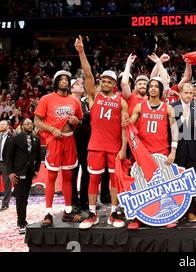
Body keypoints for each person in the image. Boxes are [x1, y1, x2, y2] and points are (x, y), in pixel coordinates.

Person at [75, 35, 128, 229]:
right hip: (95, 146)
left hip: (114, 147)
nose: (105, 84)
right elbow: (88, 75)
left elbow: (124, 128)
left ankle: (114, 213)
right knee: (93, 179)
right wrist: (81, 52)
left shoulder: (121, 101)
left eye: (108, 81)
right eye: (103, 81)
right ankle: (92, 214)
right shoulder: (94, 97)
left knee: (114, 181)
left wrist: (123, 148)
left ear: (114, 84)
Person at [127, 76, 178, 229]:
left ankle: (167, 216)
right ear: (148, 90)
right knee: (140, 185)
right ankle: (137, 218)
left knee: (163, 185)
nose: (153, 88)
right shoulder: (139, 107)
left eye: (156, 86)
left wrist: (173, 151)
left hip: (162, 151)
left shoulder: (168, 108)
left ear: (160, 90)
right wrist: (125, 121)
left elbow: (174, 130)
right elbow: (129, 125)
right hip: (143, 152)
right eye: (151, 86)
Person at [34, 70, 84, 227]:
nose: (64, 81)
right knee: (51, 176)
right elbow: (36, 121)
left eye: (66, 79)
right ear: (55, 82)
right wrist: (51, 129)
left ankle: (68, 211)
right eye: (61, 79)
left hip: (69, 141)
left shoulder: (75, 101)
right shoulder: (46, 99)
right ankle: (48, 213)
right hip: (54, 140)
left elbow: (80, 122)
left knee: (68, 176)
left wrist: (77, 122)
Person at [170, 83, 196, 223]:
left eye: (191, 93)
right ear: (180, 93)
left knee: (191, 182)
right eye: (186, 93)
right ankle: (175, 212)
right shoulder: (172, 107)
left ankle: (190, 212)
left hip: (193, 151)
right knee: (176, 182)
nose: (189, 95)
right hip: (177, 151)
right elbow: (170, 129)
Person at [5, 119, 41, 234]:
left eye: (31, 123)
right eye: (27, 124)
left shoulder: (36, 139)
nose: (30, 125)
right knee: (20, 198)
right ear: (22, 125)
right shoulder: (15, 138)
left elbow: (38, 156)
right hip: (17, 173)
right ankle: (21, 222)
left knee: (24, 198)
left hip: (29, 173)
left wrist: (36, 170)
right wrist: (10, 172)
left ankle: (23, 220)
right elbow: (8, 157)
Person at [70, 78, 90, 211]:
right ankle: (73, 201)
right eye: (77, 84)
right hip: (73, 140)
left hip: (86, 141)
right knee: (73, 171)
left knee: (87, 171)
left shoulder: (84, 103)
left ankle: (84, 200)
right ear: (71, 88)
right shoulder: (68, 102)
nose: (81, 85)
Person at [0, 120, 13, 210]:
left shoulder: (12, 137)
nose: (1, 126)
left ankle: (5, 203)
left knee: (7, 184)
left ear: (8, 126)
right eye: (0, 124)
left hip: (6, 164)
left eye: (3, 124)